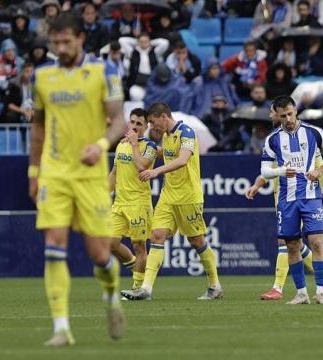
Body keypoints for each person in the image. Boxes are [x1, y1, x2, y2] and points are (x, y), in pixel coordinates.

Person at [28, 13, 127, 346]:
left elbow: (118, 122)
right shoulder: (42, 76)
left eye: (66, 41)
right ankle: (61, 328)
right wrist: (34, 171)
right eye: (55, 42)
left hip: (90, 176)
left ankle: (111, 294)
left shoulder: (102, 71)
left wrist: (100, 146)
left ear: (81, 38)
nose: (60, 47)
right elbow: (38, 128)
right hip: (55, 174)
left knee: (100, 255)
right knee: (54, 245)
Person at [121, 102, 223, 301]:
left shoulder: (187, 133)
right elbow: (161, 154)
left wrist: (156, 171)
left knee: (197, 241)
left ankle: (215, 285)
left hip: (188, 197)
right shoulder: (166, 138)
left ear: (163, 117)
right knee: (157, 236)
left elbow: (183, 159)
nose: (152, 127)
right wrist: (141, 145)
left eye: (152, 122)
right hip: (168, 196)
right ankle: (146, 289)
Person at [258, 96, 323, 304]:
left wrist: (321, 169)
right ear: (277, 116)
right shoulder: (273, 139)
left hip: (311, 197)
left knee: (316, 243)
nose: (288, 118)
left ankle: (321, 292)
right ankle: (301, 293)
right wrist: (280, 171)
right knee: (292, 246)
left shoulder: (313, 132)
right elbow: (263, 170)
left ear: (295, 110)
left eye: (290, 113)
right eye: (283, 116)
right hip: (286, 200)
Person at [108, 108, 157, 294]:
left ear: (146, 126)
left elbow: (142, 165)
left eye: (139, 123)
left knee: (139, 246)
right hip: (119, 203)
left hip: (138, 203)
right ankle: (136, 267)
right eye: (132, 122)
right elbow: (114, 173)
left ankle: (138, 288)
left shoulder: (150, 147)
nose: (135, 126)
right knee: (109, 243)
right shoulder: (121, 145)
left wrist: (135, 144)